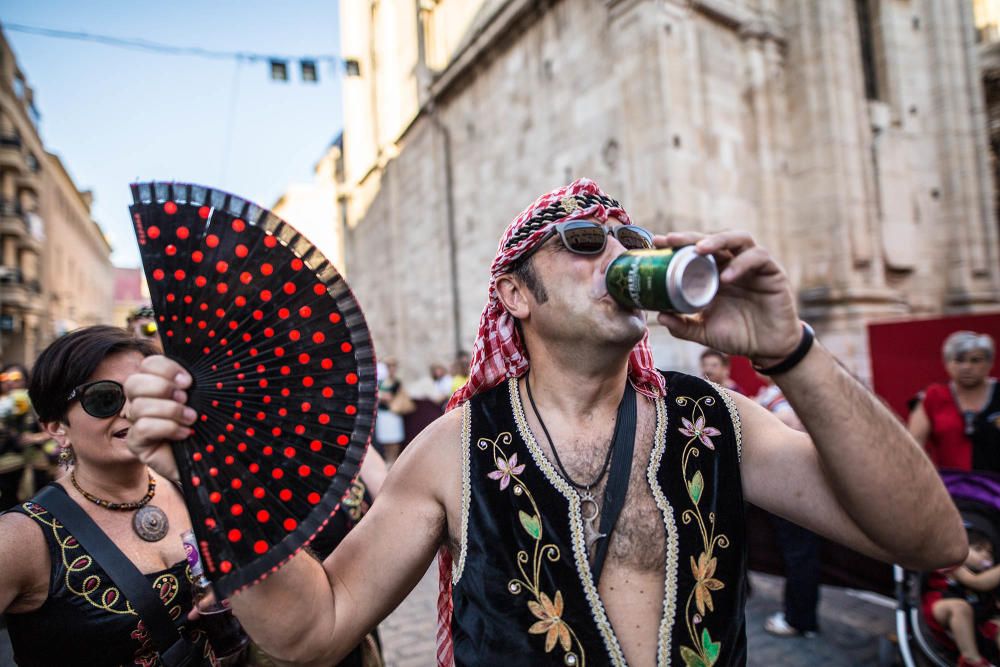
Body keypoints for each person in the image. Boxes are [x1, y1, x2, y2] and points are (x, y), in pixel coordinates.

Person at [125, 178, 966, 666]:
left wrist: (790, 350)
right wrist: (208, 469)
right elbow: (315, 625)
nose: (617, 253)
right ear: (515, 295)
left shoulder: (717, 421)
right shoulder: (455, 447)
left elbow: (932, 542)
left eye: (626, 238)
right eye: (581, 240)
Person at [0, 326, 223, 666]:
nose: (131, 411)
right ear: (57, 427)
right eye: (104, 398)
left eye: (144, 393)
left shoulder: (194, 487)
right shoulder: (21, 537)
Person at [755, 377, 821, 639]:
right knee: (801, 553)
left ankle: (799, 619)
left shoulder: (782, 394)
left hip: (793, 485)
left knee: (799, 554)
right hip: (802, 483)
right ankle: (802, 617)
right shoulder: (799, 389)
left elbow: (790, 426)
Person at [909, 331, 999, 472]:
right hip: (950, 489)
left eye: (975, 360)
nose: (966, 367)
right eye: (958, 360)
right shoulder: (931, 397)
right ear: (946, 363)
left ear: (990, 363)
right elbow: (913, 448)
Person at [923, 525, 1000, 667]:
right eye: (978, 549)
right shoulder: (955, 566)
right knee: (960, 607)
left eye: (989, 553)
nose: (985, 555)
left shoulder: (987, 579)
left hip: (975, 621)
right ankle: (972, 660)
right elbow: (977, 583)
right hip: (941, 607)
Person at [0, 363, 57, 512]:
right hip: (6, 466)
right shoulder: (2, 402)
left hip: (34, 463)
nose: (10, 382)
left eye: (16, 378)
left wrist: (33, 438)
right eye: (5, 378)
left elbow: (53, 430)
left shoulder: (34, 401)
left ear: (25, 380)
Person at [375, 358, 408, 466]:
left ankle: (394, 462)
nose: (391, 369)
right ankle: (388, 461)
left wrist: (382, 396)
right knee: (385, 440)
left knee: (394, 440)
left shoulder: (397, 382)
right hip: (382, 414)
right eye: (389, 367)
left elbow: (388, 396)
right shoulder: (380, 381)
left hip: (393, 413)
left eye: (393, 367)